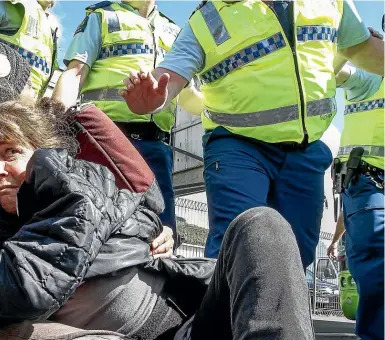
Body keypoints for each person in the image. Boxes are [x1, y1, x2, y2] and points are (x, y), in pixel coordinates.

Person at [0, 92, 316, 339]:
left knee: (261, 224)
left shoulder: (71, 184)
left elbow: (28, 283)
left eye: (11, 153)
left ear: (45, 152)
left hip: (190, 322)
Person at [119, 0, 385, 267]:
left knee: (296, 255)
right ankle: (223, 308)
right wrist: (153, 98)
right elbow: (171, 75)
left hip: (306, 151)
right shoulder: (208, 18)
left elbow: (361, 47)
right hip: (238, 146)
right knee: (239, 246)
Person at [52, 0, 204, 241]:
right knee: (96, 230)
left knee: (160, 237)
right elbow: (74, 74)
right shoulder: (102, 17)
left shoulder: (174, 31)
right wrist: (55, 135)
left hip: (156, 148)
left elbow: (188, 97)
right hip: (105, 143)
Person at [331, 59, 384, 339]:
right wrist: (354, 46)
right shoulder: (371, 74)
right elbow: (336, 69)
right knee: (378, 268)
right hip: (370, 183)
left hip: (366, 193)